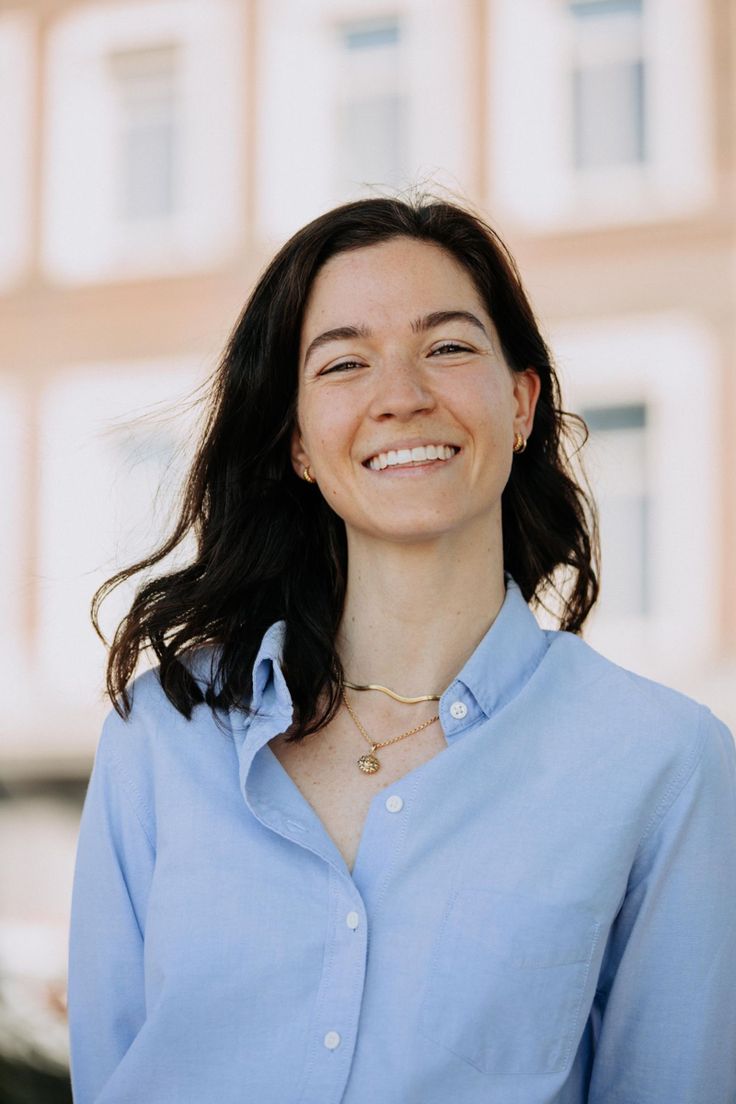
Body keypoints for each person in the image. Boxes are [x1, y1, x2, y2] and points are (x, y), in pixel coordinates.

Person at [67, 196, 736, 1104]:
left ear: (521, 401)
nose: (402, 396)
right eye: (344, 362)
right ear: (297, 441)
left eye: (449, 347)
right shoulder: (162, 734)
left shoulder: (662, 760)